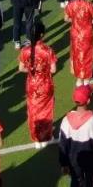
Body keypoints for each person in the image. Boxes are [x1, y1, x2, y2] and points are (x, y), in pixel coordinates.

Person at [59, 85, 93, 187]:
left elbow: (63, 145)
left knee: (75, 182)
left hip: (74, 161)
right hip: (92, 161)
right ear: (88, 101)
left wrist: (64, 164)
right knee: (92, 182)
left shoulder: (65, 121)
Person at [19, 21, 57, 149]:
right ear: (42, 34)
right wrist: (43, 71)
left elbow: (21, 68)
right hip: (45, 84)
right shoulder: (47, 50)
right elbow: (53, 69)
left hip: (31, 84)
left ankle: (36, 138)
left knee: (33, 111)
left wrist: (32, 69)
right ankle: (46, 137)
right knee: (46, 111)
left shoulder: (25, 51)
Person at [65, 0, 93, 87]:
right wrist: (86, 22)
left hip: (75, 34)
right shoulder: (89, 5)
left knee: (77, 55)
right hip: (87, 34)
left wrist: (76, 21)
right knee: (87, 55)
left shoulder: (70, 5)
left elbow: (66, 19)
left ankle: (79, 78)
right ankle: (87, 78)